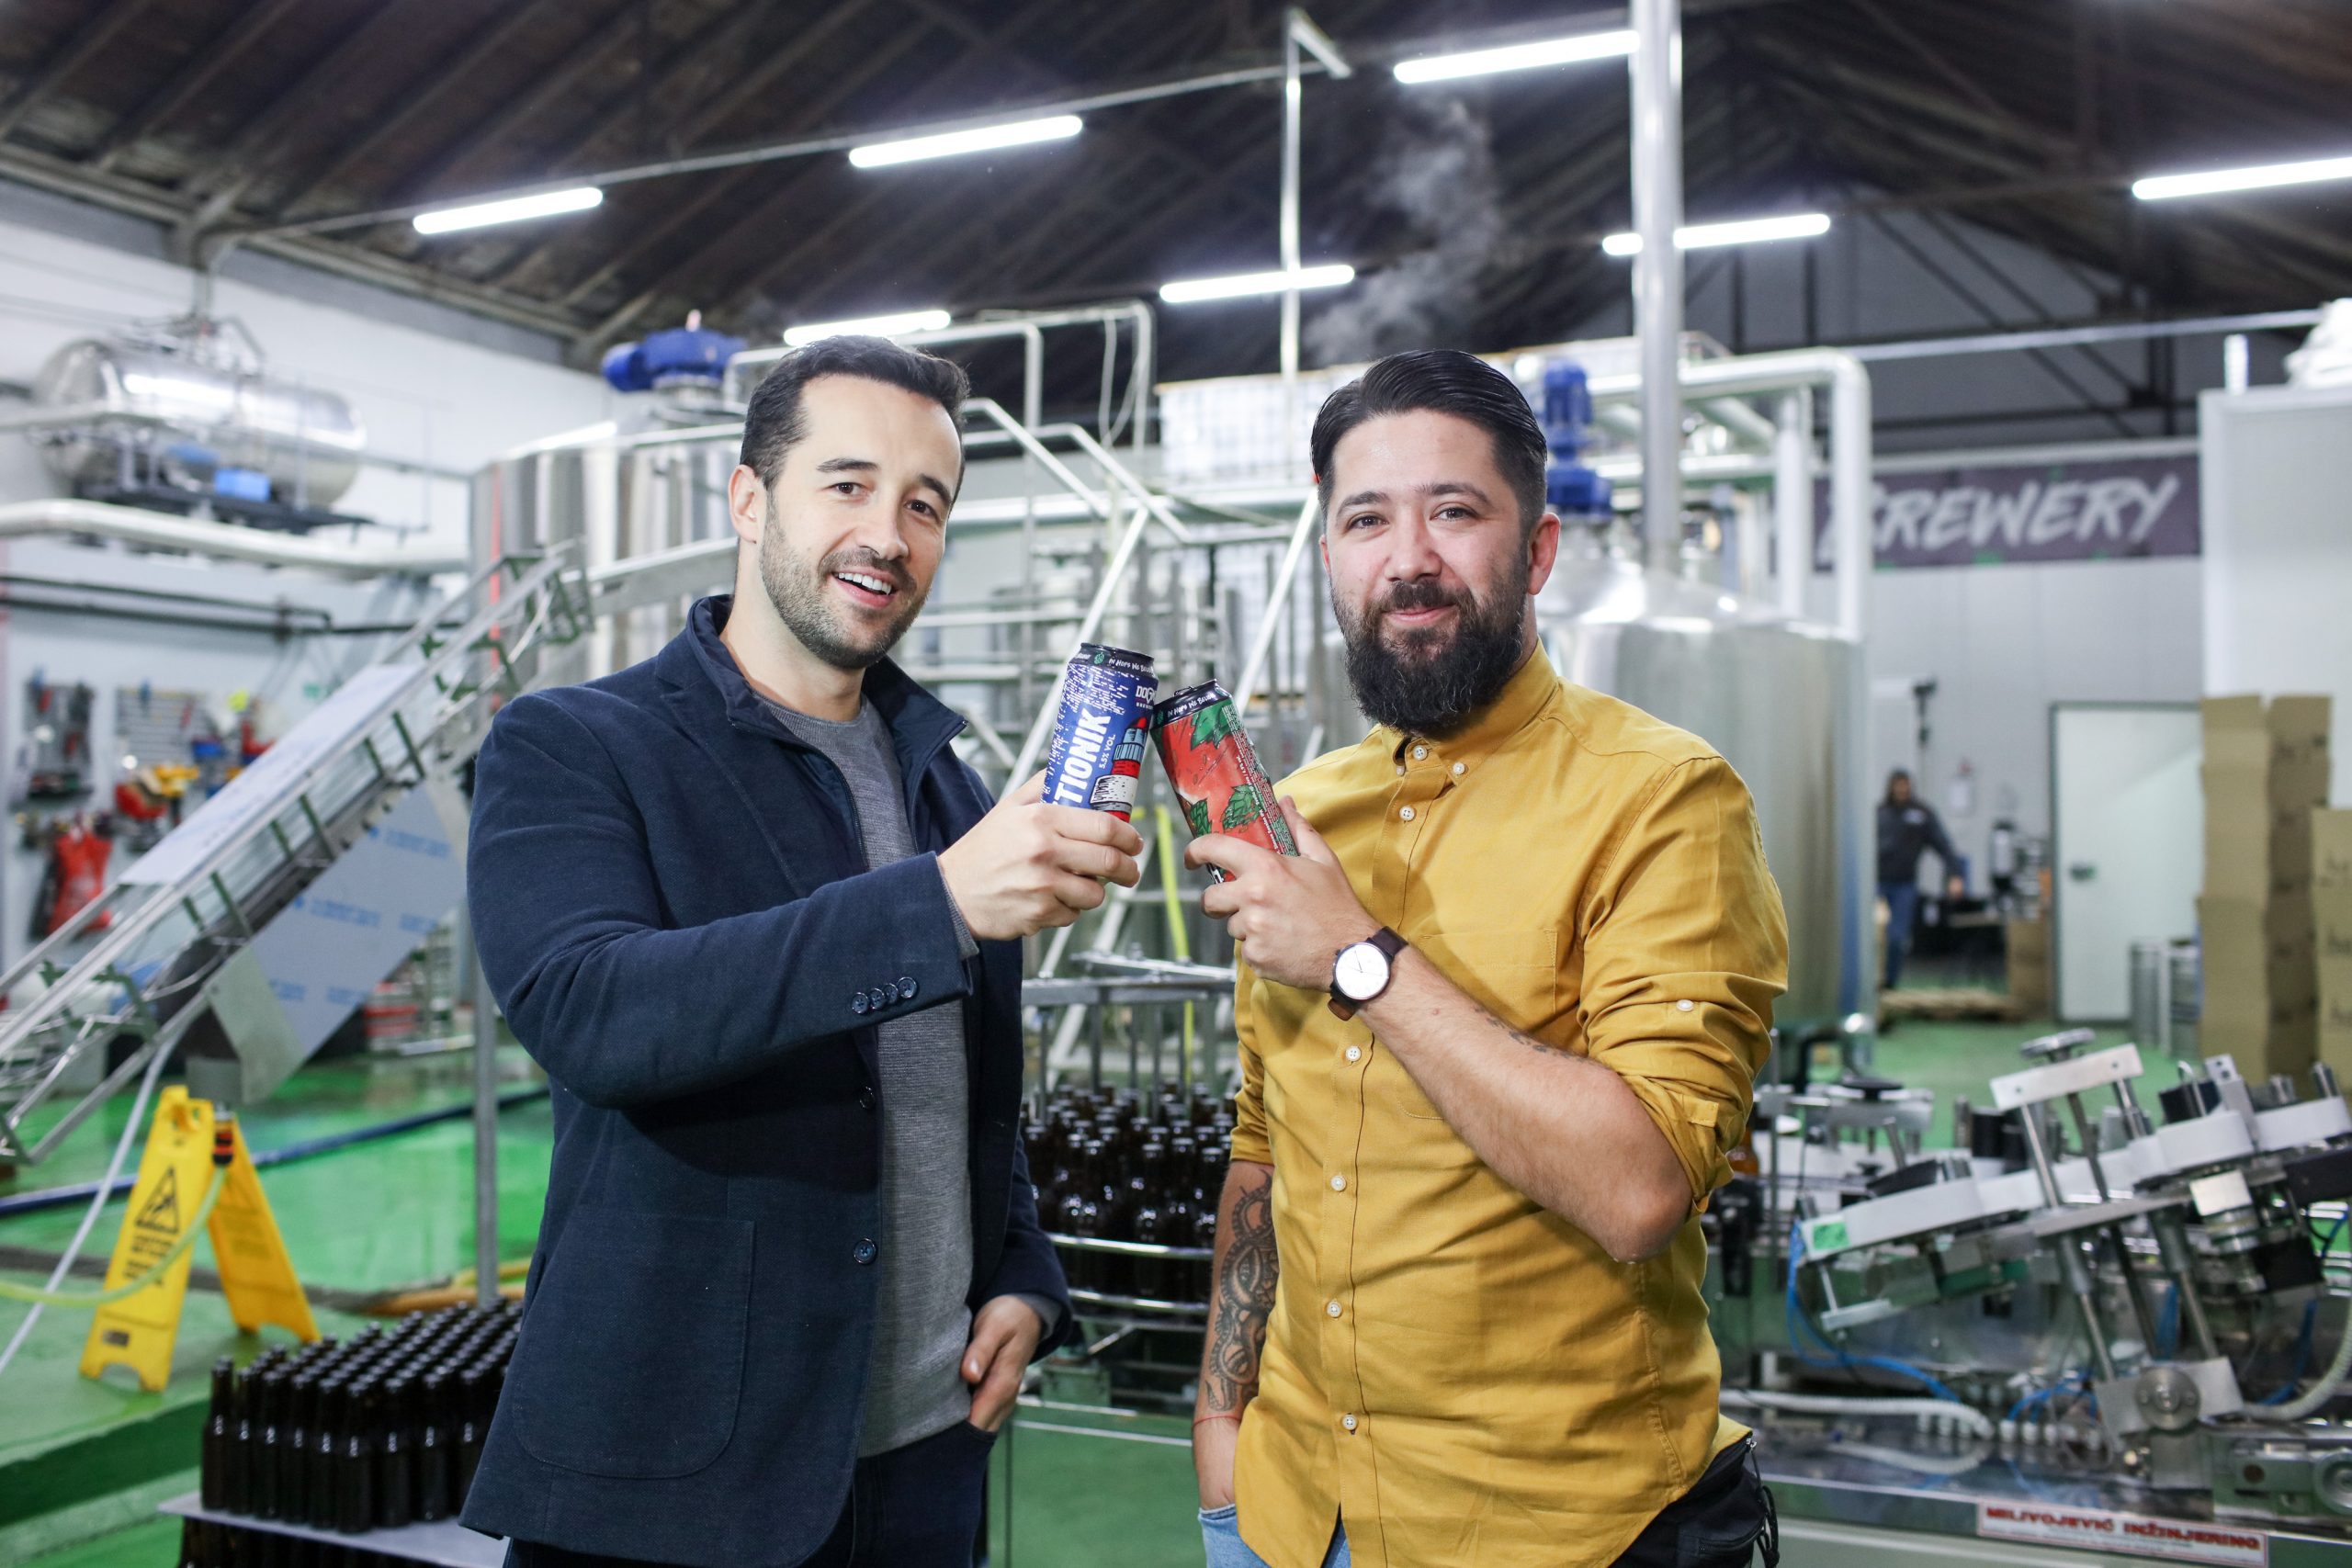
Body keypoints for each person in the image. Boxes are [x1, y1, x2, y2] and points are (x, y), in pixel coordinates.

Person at [462, 337, 1142, 1567]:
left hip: (923, 1457)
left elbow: (966, 1087)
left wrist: (1025, 1274)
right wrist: (935, 903)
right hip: (680, 1479)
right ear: (747, 497)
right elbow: (595, 1013)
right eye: (847, 484)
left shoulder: (943, 781)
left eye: (924, 503)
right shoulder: (576, 743)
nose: (888, 534)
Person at [1185, 350, 1787, 1568]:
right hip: (1292, 1510)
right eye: (1366, 520)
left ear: (1538, 549)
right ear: (1330, 557)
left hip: (1559, 1525)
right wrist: (1219, 1422)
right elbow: (1266, 1137)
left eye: (1454, 511)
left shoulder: (1663, 799)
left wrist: (1357, 955)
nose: (1408, 557)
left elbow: (1640, 1189)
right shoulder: (1302, 812)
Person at [1876, 768, 1965, 991]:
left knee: (1897, 938)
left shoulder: (1921, 814)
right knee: (1874, 936)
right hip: (1877, 885)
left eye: (1905, 785)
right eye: (1897, 785)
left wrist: (1955, 875)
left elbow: (1943, 845)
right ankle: (1870, 981)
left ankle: (1890, 984)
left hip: (1904, 886)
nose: (1901, 789)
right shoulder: (1880, 813)